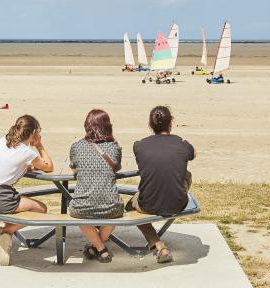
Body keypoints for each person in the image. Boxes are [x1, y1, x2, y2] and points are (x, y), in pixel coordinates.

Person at [0, 114, 53, 266]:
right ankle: (5, 232)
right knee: (41, 209)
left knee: (25, 202)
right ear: (33, 134)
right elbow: (49, 167)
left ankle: (4, 233)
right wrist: (39, 145)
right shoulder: (27, 152)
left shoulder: (3, 140)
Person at [126, 105, 195, 263]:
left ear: (150, 125)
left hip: (148, 204)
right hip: (178, 203)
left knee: (130, 206)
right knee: (186, 174)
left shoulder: (139, 145)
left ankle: (158, 245)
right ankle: (175, 193)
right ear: (171, 122)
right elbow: (192, 153)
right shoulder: (182, 144)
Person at [69, 109, 124, 263]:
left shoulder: (77, 147)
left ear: (87, 126)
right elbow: (116, 167)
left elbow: (74, 168)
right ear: (108, 126)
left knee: (80, 215)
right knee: (114, 214)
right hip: (111, 205)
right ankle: (100, 248)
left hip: (82, 205)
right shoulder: (114, 147)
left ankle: (99, 248)